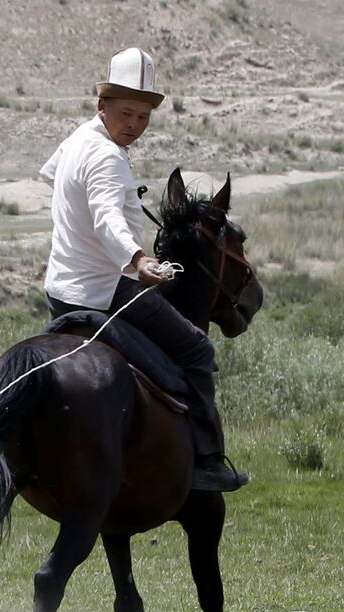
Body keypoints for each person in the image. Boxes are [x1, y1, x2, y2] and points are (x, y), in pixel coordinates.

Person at [39, 47, 247, 492]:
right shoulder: (108, 157)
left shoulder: (78, 140)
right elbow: (106, 217)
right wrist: (137, 258)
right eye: (126, 113)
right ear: (103, 105)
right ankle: (207, 460)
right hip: (104, 290)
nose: (134, 124)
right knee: (197, 349)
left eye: (143, 116)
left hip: (59, 289)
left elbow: (52, 175)